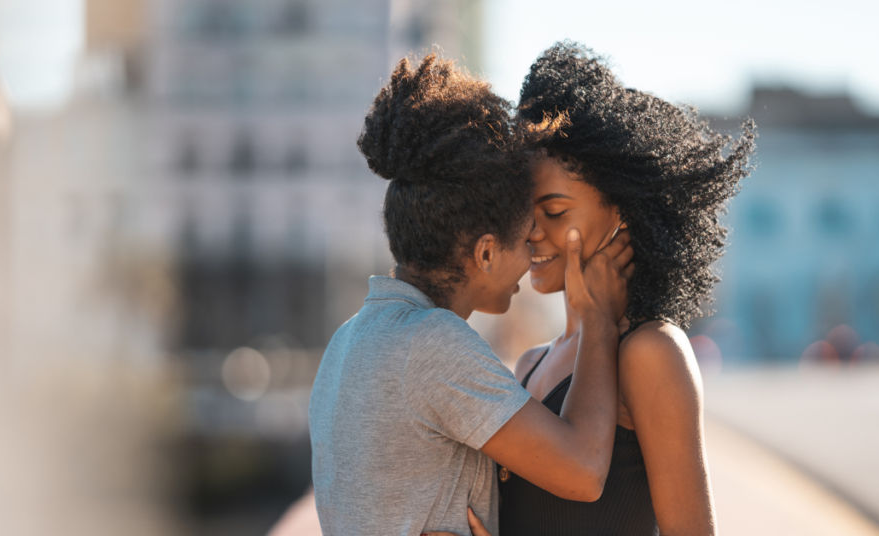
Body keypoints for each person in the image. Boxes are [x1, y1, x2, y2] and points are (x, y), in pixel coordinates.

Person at [308, 53, 635, 536]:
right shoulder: (432, 343)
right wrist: (599, 323)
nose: (533, 254)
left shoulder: (346, 341)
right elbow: (583, 471)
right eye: (525, 238)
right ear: (485, 253)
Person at [493, 43, 756, 536]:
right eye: (525, 211)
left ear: (620, 213)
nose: (531, 231)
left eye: (554, 211)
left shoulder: (651, 352)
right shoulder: (529, 365)